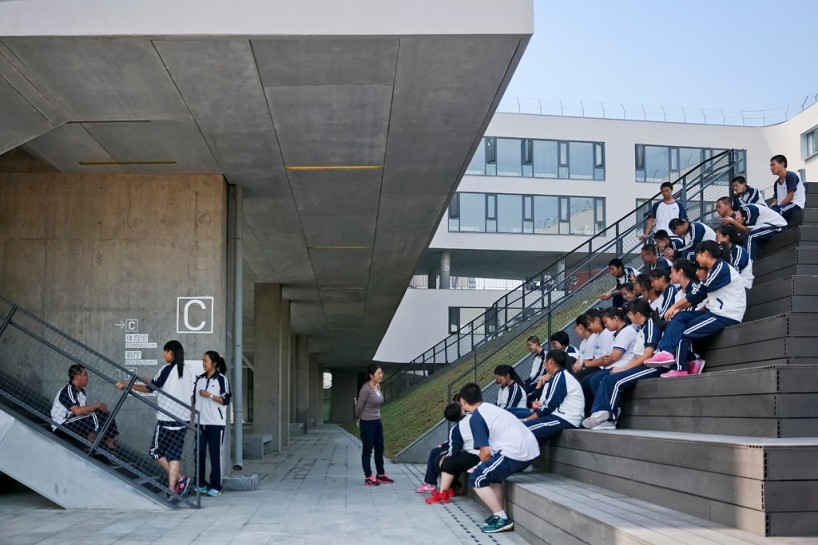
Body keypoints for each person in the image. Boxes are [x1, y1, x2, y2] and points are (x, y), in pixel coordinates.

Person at [645, 241, 746, 377]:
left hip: (726, 316)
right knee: (679, 318)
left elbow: (700, 294)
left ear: (705, 253)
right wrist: (678, 309)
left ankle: (682, 368)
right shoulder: (715, 269)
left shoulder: (721, 268)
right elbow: (703, 296)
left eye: (697, 255)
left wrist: (675, 306)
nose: (697, 259)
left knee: (684, 332)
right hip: (714, 312)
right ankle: (667, 352)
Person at [116, 340, 195, 498]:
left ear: (170, 353)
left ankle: (180, 480)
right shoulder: (188, 371)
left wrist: (128, 386)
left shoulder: (166, 369)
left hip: (166, 418)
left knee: (156, 451)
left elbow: (150, 388)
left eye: (165, 352)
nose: (164, 355)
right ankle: (172, 490)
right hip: (182, 420)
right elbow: (162, 384)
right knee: (174, 455)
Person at [459, 382, 540, 534]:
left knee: (477, 478)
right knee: (492, 476)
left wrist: (481, 468)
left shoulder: (476, 417)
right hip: (528, 448)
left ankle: (501, 518)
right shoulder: (489, 408)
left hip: (515, 451)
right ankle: (498, 514)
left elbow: (485, 452)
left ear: (463, 401)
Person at [582, 299, 663, 430]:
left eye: (629, 314)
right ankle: (598, 414)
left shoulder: (650, 326)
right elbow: (637, 355)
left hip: (651, 366)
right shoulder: (641, 328)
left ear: (637, 314)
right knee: (609, 377)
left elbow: (647, 355)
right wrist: (622, 368)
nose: (627, 317)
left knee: (615, 380)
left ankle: (609, 418)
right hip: (641, 363)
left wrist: (624, 368)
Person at [517, 350, 584, 442]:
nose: (544, 364)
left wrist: (526, 420)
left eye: (545, 361)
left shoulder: (561, 377)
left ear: (551, 361)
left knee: (521, 431)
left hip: (566, 418)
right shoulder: (559, 375)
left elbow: (549, 406)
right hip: (560, 416)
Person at [51, 364, 118, 452]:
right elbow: (77, 412)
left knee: (105, 414)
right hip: (61, 426)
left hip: (74, 423)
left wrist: (101, 412)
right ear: (77, 376)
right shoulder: (67, 391)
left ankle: (110, 446)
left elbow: (84, 412)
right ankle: (91, 447)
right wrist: (97, 405)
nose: (88, 378)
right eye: (85, 374)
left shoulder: (82, 392)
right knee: (95, 414)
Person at [581, 307, 638, 410]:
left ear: (615, 318)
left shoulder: (627, 331)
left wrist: (607, 359)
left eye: (606, 322)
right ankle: (596, 411)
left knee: (595, 380)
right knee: (588, 381)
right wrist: (607, 359)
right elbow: (607, 357)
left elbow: (614, 357)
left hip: (622, 366)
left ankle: (606, 410)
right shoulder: (616, 333)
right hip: (613, 366)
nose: (605, 325)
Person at [192, 350, 231, 497]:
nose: (203, 363)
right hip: (200, 424)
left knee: (215, 455)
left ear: (214, 363)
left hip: (215, 424)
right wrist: (192, 418)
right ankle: (200, 484)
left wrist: (210, 395)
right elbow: (194, 400)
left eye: (206, 361)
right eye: (202, 361)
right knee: (199, 454)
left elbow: (225, 400)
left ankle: (216, 486)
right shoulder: (199, 379)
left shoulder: (221, 380)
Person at [425, 402, 481, 504]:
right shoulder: (475, 416)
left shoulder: (456, 429)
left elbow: (454, 451)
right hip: (487, 452)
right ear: (462, 410)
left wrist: (444, 458)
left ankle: (443, 493)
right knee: (451, 459)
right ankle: (450, 488)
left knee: (447, 461)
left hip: (476, 456)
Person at [354, 363, 393, 486]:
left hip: (377, 421)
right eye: (378, 373)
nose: (381, 375)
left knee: (380, 448)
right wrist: (362, 418)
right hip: (367, 422)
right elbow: (358, 408)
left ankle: (380, 474)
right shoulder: (366, 389)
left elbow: (377, 404)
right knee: (367, 450)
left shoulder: (378, 386)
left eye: (381, 372)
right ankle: (368, 476)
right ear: (371, 375)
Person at [716, 197, 787, 261]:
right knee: (744, 238)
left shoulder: (748, 209)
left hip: (777, 226)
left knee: (750, 237)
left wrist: (733, 222)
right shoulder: (743, 215)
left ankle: (750, 263)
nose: (738, 221)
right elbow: (745, 231)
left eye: (719, 206)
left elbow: (747, 231)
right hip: (766, 226)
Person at [715, 224, 753, 289]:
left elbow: (735, 272)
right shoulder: (722, 252)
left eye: (717, 237)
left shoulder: (738, 250)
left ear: (726, 237)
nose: (715, 240)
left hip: (742, 284)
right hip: (730, 285)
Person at [769, 154, 805, 220]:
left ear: (782, 164)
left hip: (795, 204)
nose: (771, 168)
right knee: (770, 213)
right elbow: (775, 201)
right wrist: (769, 210)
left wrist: (777, 208)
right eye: (770, 166)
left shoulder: (791, 176)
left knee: (776, 213)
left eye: (773, 165)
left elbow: (790, 197)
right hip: (783, 207)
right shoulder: (776, 183)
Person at [522, 336, 546, 403]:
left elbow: (540, 375)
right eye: (527, 346)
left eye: (530, 345)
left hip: (538, 385)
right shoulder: (535, 357)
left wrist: (528, 385)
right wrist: (525, 382)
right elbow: (532, 375)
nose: (529, 348)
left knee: (522, 392)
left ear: (536, 343)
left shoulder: (545, 355)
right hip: (533, 383)